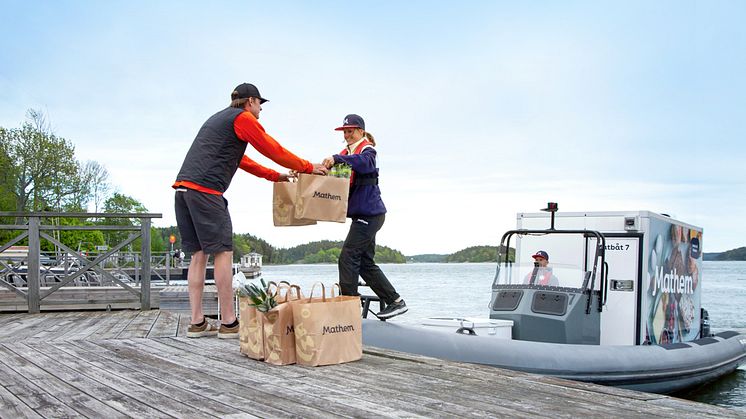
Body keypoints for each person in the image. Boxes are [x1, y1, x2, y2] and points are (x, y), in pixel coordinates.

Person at [174, 83, 328, 338]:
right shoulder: (243, 119)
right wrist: (307, 167)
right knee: (223, 253)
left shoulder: (218, 120)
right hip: (206, 192)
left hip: (183, 191)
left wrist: (275, 177)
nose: (260, 110)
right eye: (260, 104)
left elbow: (243, 161)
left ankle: (197, 322)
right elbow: (271, 147)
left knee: (198, 255)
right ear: (251, 101)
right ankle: (229, 322)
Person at [322, 114, 407, 320]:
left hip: (370, 215)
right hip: (363, 216)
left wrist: (337, 158)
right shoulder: (346, 153)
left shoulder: (367, 150)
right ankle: (395, 302)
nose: (348, 134)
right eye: (345, 131)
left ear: (361, 131)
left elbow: (365, 164)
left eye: (351, 130)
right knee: (364, 263)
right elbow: (329, 175)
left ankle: (348, 307)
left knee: (347, 257)